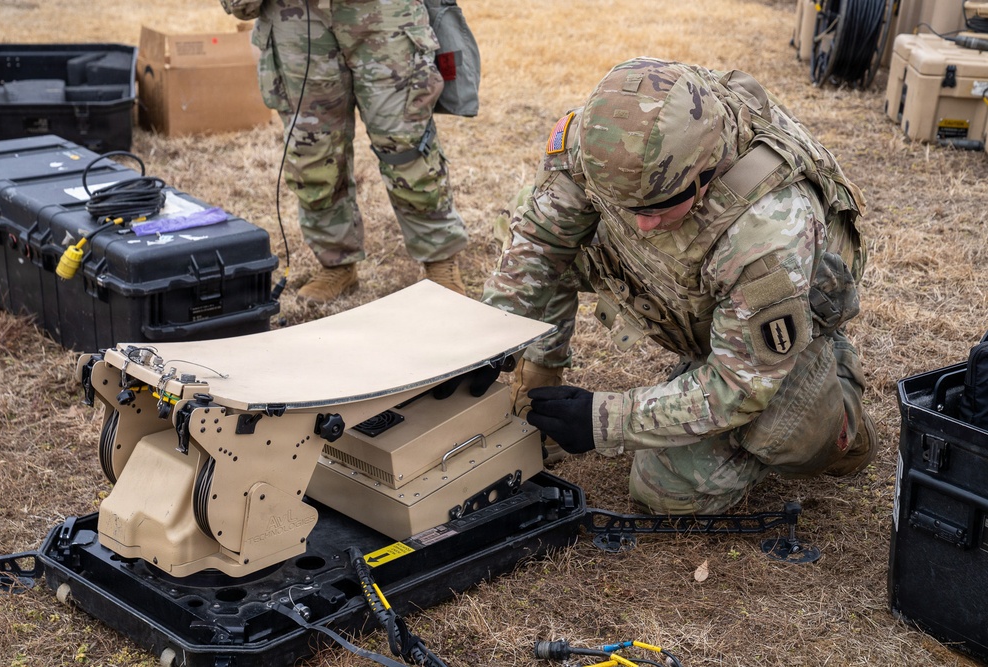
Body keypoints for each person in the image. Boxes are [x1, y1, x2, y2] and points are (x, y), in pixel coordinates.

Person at [482, 57, 876, 515]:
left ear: (706, 173)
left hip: (770, 314)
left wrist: (600, 421)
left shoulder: (767, 233)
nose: (643, 226)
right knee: (545, 222)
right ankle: (534, 382)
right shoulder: (603, 139)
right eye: (627, 208)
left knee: (664, 489)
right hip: (705, 288)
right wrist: (490, 340)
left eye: (660, 207)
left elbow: (737, 387)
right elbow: (540, 238)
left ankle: (837, 410)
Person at [247, 0, 469, 301]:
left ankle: (439, 259)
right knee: (312, 150)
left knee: (404, 144)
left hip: (382, 13)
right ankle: (336, 264)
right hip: (295, 16)